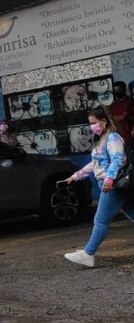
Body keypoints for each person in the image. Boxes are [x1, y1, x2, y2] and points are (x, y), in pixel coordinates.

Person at [63, 106, 134, 267]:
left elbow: (117, 159)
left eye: (93, 122)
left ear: (103, 122)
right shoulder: (102, 139)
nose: (91, 126)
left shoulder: (113, 138)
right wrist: (76, 176)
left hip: (112, 185)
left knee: (100, 220)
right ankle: (88, 253)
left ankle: (88, 253)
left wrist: (109, 179)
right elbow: (95, 165)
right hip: (112, 183)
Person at [108, 81, 134, 146]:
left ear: (124, 89)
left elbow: (123, 117)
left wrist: (112, 118)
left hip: (129, 137)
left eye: (118, 89)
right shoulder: (113, 105)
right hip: (119, 137)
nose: (117, 92)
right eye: (115, 90)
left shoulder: (129, 102)